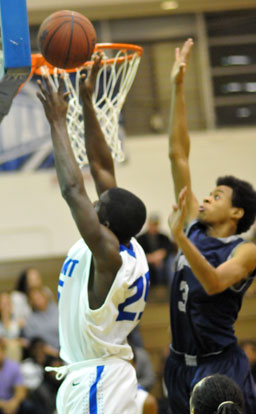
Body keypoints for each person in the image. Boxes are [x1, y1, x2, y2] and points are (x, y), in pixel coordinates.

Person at [36, 53, 149, 414]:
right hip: (98, 376)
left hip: (97, 381)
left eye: (98, 208)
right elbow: (100, 165)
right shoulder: (121, 240)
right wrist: (86, 103)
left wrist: (56, 120)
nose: (94, 205)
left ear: (106, 227)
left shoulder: (109, 256)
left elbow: (73, 190)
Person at [164, 38, 256, 414]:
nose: (204, 199)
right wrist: (178, 85)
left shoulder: (245, 250)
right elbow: (178, 153)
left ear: (237, 214)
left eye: (217, 196)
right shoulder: (195, 229)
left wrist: (179, 238)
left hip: (220, 364)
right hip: (177, 365)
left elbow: (215, 282)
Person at [137, 213, 177, 286]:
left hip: (163, 262)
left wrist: (161, 254)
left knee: (171, 262)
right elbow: (138, 252)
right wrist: (151, 258)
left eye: (155, 225)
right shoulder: (140, 238)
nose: (153, 227)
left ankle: (171, 287)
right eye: (152, 225)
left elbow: (170, 248)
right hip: (146, 261)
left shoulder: (164, 237)